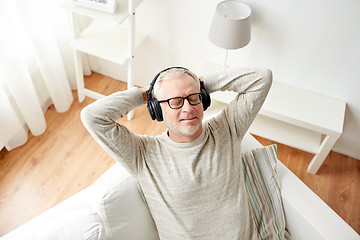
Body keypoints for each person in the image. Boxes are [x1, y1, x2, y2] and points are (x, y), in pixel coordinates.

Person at [81, 66, 272, 239]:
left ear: (203, 99)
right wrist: (146, 94)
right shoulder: (143, 155)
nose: (188, 108)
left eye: (193, 98)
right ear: (157, 109)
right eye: (176, 101)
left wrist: (200, 83)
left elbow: (262, 78)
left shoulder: (227, 127)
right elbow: (93, 117)